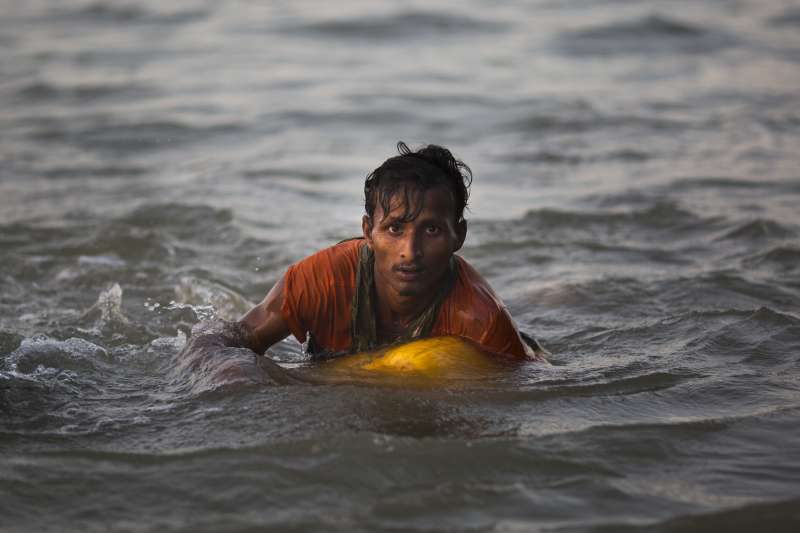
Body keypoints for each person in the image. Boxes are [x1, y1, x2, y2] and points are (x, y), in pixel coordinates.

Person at [188, 142, 547, 363]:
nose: (411, 251)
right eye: (394, 229)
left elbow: (525, 388)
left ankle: (552, 295)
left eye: (432, 230)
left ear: (459, 237)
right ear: (368, 233)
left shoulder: (481, 320)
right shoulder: (321, 279)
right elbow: (224, 340)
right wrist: (231, 379)